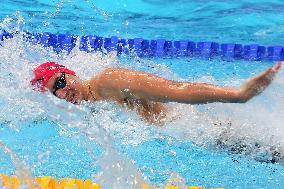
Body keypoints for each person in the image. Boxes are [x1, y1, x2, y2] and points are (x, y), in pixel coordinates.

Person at [31, 61, 281, 123]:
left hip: (209, 136)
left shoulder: (109, 81)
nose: (62, 94)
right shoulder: (92, 102)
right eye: (55, 93)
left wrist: (238, 95)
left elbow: (175, 90)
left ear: (70, 72)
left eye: (60, 83)